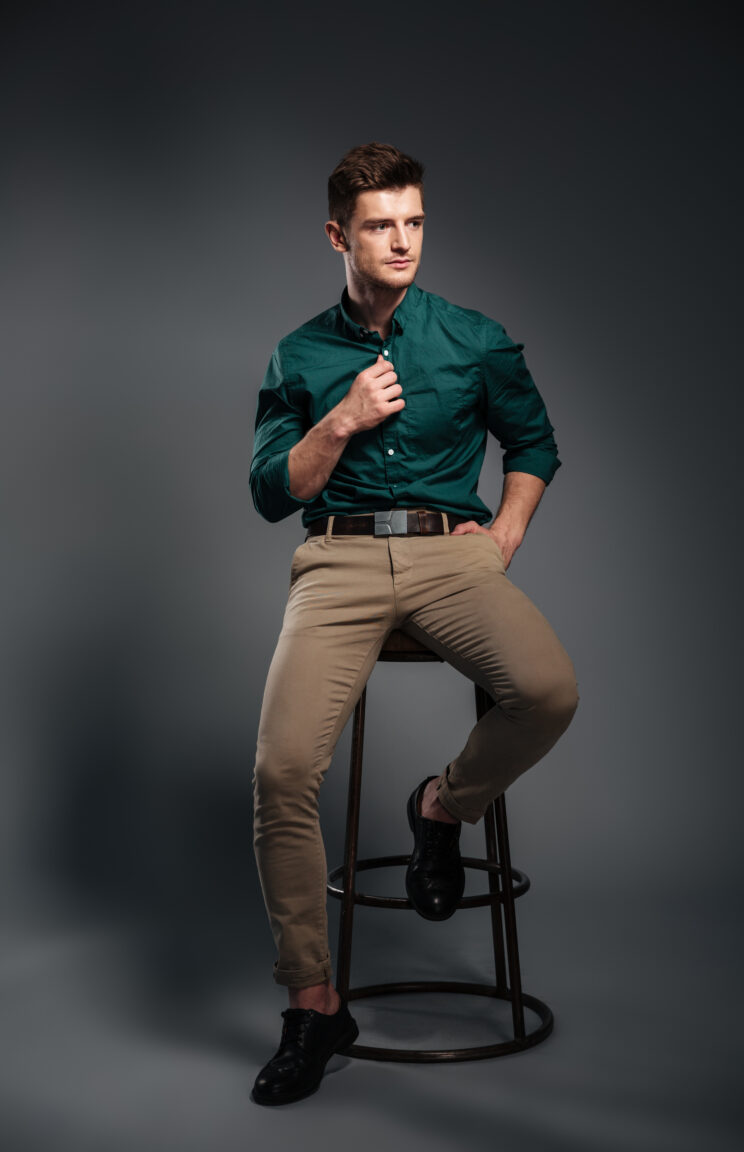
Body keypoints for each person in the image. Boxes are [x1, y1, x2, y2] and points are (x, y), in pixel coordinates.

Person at [248, 142, 579, 1106]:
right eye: (381, 225)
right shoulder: (299, 355)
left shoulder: (474, 337)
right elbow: (274, 492)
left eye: (415, 222)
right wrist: (342, 419)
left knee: (548, 692)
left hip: (451, 553)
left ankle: (442, 808)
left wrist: (502, 538)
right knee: (278, 773)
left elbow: (535, 441)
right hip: (339, 559)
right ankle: (314, 1003)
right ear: (337, 235)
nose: (402, 241)